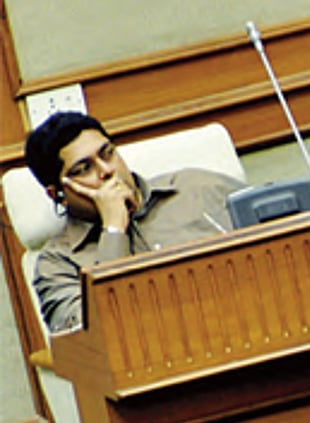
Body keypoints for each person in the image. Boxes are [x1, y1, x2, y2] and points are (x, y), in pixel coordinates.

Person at [24, 112, 245, 332]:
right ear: (57, 195)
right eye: (84, 169)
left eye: (108, 154)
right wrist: (113, 229)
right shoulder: (57, 264)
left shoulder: (197, 187)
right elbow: (94, 338)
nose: (107, 171)